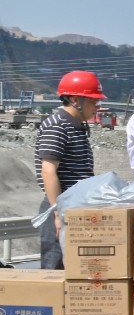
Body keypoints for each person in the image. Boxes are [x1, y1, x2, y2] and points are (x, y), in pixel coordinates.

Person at [35, 71, 104, 269]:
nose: (97, 106)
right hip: (61, 206)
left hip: (75, 207)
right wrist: (58, 213)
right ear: (75, 100)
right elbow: (48, 171)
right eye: (93, 101)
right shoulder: (57, 125)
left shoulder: (76, 126)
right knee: (55, 269)